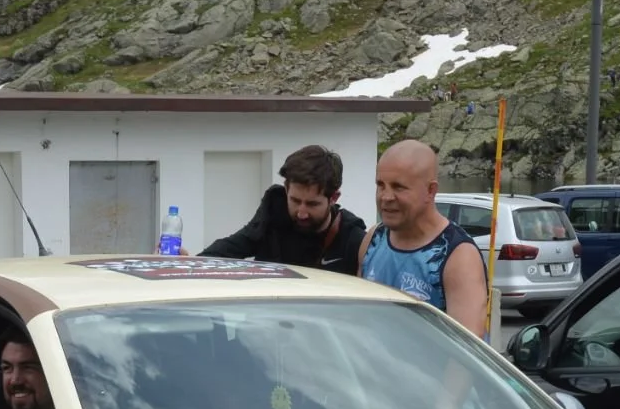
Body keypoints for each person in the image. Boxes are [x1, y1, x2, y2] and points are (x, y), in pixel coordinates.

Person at [357, 139, 489, 339]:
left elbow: (467, 354)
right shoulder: (373, 239)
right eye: (380, 185)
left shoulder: (458, 256)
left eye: (398, 187)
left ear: (431, 191)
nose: (386, 196)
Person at [192, 145, 369, 275]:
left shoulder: (353, 239)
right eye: (295, 200)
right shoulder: (273, 212)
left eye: (312, 204)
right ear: (286, 189)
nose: (301, 212)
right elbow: (234, 246)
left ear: (334, 198)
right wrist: (189, 263)